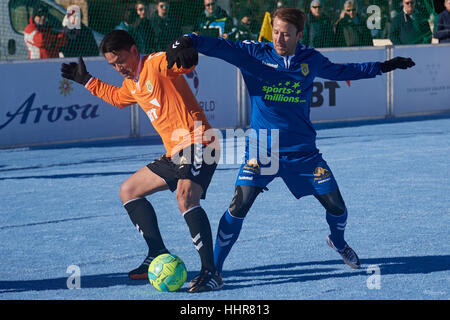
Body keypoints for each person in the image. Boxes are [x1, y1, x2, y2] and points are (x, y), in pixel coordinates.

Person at [166, 7, 415, 285]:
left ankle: (337, 241)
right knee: (238, 206)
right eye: (276, 32)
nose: (279, 39)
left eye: (286, 34)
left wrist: (383, 67)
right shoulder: (255, 53)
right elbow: (222, 47)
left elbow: (343, 70)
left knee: (337, 207)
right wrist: (190, 39)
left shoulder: (311, 59)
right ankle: (214, 271)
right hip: (263, 149)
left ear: (299, 34)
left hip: (303, 152)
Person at [60, 30, 223, 293]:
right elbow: (117, 98)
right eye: (112, 64)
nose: (118, 68)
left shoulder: (156, 63)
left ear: (134, 51)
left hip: (199, 141)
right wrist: (86, 80)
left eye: (121, 61)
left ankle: (211, 273)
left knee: (185, 197)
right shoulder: (132, 82)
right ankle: (156, 252)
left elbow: (181, 63)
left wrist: (187, 55)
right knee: (129, 190)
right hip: (175, 152)